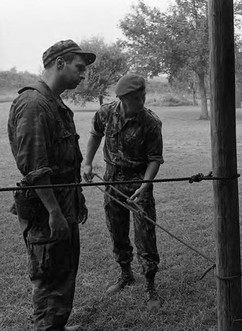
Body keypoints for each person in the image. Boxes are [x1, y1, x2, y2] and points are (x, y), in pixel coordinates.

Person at [8, 39, 95, 331]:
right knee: (48, 276)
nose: (83, 75)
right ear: (60, 63)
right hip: (47, 210)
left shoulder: (54, 103)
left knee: (63, 271)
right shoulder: (33, 104)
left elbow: (68, 160)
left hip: (63, 202)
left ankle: (56, 324)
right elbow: (35, 168)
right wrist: (54, 212)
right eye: (79, 68)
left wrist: (77, 198)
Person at [83, 73, 164, 309]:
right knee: (117, 230)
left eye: (143, 96)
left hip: (139, 181)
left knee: (145, 235)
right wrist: (88, 162)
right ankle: (126, 273)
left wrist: (146, 185)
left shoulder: (150, 121)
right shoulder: (106, 112)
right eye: (137, 97)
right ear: (123, 98)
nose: (142, 101)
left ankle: (150, 284)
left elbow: (155, 159)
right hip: (112, 178)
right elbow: (95, 135)